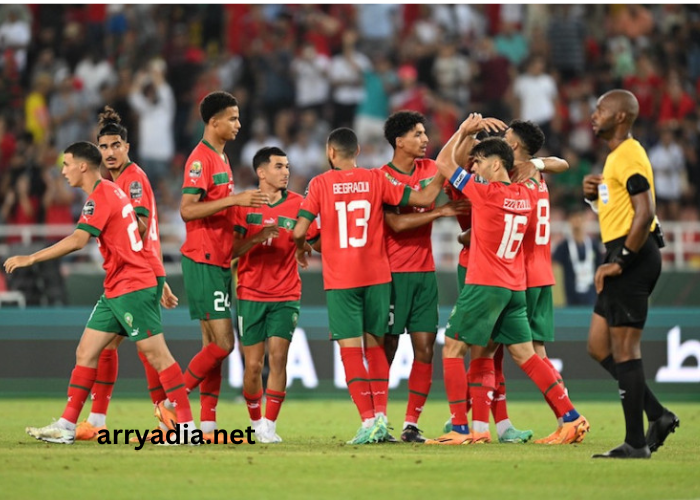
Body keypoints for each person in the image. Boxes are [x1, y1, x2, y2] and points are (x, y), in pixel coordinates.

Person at [4, 142, 195, 444]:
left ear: (82, 166)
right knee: (86, 351)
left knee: (157, 355)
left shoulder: (100, 196)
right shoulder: (112, 190)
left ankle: (186, 427)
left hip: (131, 286)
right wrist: (158, 276)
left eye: (66, 164)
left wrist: (31, 258)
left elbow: (79, 240)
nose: (63, 171)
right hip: (118, 286)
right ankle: (68, 424)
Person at [427, 123, 589, 446]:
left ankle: (461, 429)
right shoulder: (528, 192)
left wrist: (461, 131)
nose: (476, 167)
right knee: (526, 354)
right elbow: (553, 167)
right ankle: (570, 417)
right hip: (515, 286)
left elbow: (443, 163)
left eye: (481, 161)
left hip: (485, 283)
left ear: (498, 164)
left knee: (454, 347)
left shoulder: (484, 192)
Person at [292, 127, 445, 444]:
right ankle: (382, 419)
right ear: (357, 151)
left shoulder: (319, 184)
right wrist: (446, 170)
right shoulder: (377, 179)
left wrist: (305, 248)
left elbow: (299, 231)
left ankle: (368, 422)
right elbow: (422, 198)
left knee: (351, 350)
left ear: (331, 152)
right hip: (378, 276)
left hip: (342, 280)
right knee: (376, 347)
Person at [72, 106, 179, 441]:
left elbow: (143, 225)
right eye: (103, 147)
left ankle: (170, 417)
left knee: (147, 350)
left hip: (137, 272)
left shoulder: (132, 179)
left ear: (127, 147)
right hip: (139, 269)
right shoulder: (111, 182)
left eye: (115, 145)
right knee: (107, 347)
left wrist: (104, 223)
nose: (109, 153)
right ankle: (100, 419)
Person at [584, 89, 678, 459]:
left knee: (625, 348)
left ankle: (636, 443)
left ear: (621, 117)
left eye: (601, 109)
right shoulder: (615, 159)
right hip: (624, 249)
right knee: (597, 345)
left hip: (633, 254)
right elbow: (620, 210)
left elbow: (644, 211)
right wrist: (594, 196)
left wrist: (620, 261)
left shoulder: (629, 154)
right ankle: (658, 415)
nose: (594, 114)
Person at [174, 91, 269, 443]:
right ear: (213, 122)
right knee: (225, 344)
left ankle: (208, 427)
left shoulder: (222, 158)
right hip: (202, 259)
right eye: (232, 117)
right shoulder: (200, 160)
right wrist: (236, 199)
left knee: (210, 346)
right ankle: (172, 400)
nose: (238, 124)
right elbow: (187, 209)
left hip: (218, 259)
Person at [380, 111, 467, 443]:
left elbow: (455, 160)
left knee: (425, 349)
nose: (424, 138)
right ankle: (378, 418)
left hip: (423, 275)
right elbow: (397, 224)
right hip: (391, 275)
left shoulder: (431, 169)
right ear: (399, 141)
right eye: (417, 134)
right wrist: (439, 211)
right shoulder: (383, 178)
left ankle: (411, 424)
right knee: (387, 348)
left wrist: (467, 132)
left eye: (425, 133)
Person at [232, 146, 319, 444]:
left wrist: (305, 244)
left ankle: (270, 424)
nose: (286, 172)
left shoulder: (298, 203)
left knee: (279, 358)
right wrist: (256, 237)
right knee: (253, 365)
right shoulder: (244, 204)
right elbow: (230, 251)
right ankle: (255, 422)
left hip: (286, 293)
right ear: (261, 172)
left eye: (287, 166)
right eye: (279, 166)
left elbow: (317, 240)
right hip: (250, 293)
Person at [552, 207, 603, 306]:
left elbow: (599, 266)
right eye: (574, 219)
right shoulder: (564, 246)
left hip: (591, 295)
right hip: (570, 295)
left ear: (584, 221)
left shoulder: (593, 245)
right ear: (569, 222)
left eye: (579, 219)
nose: (577, 223)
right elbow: (554, 266)